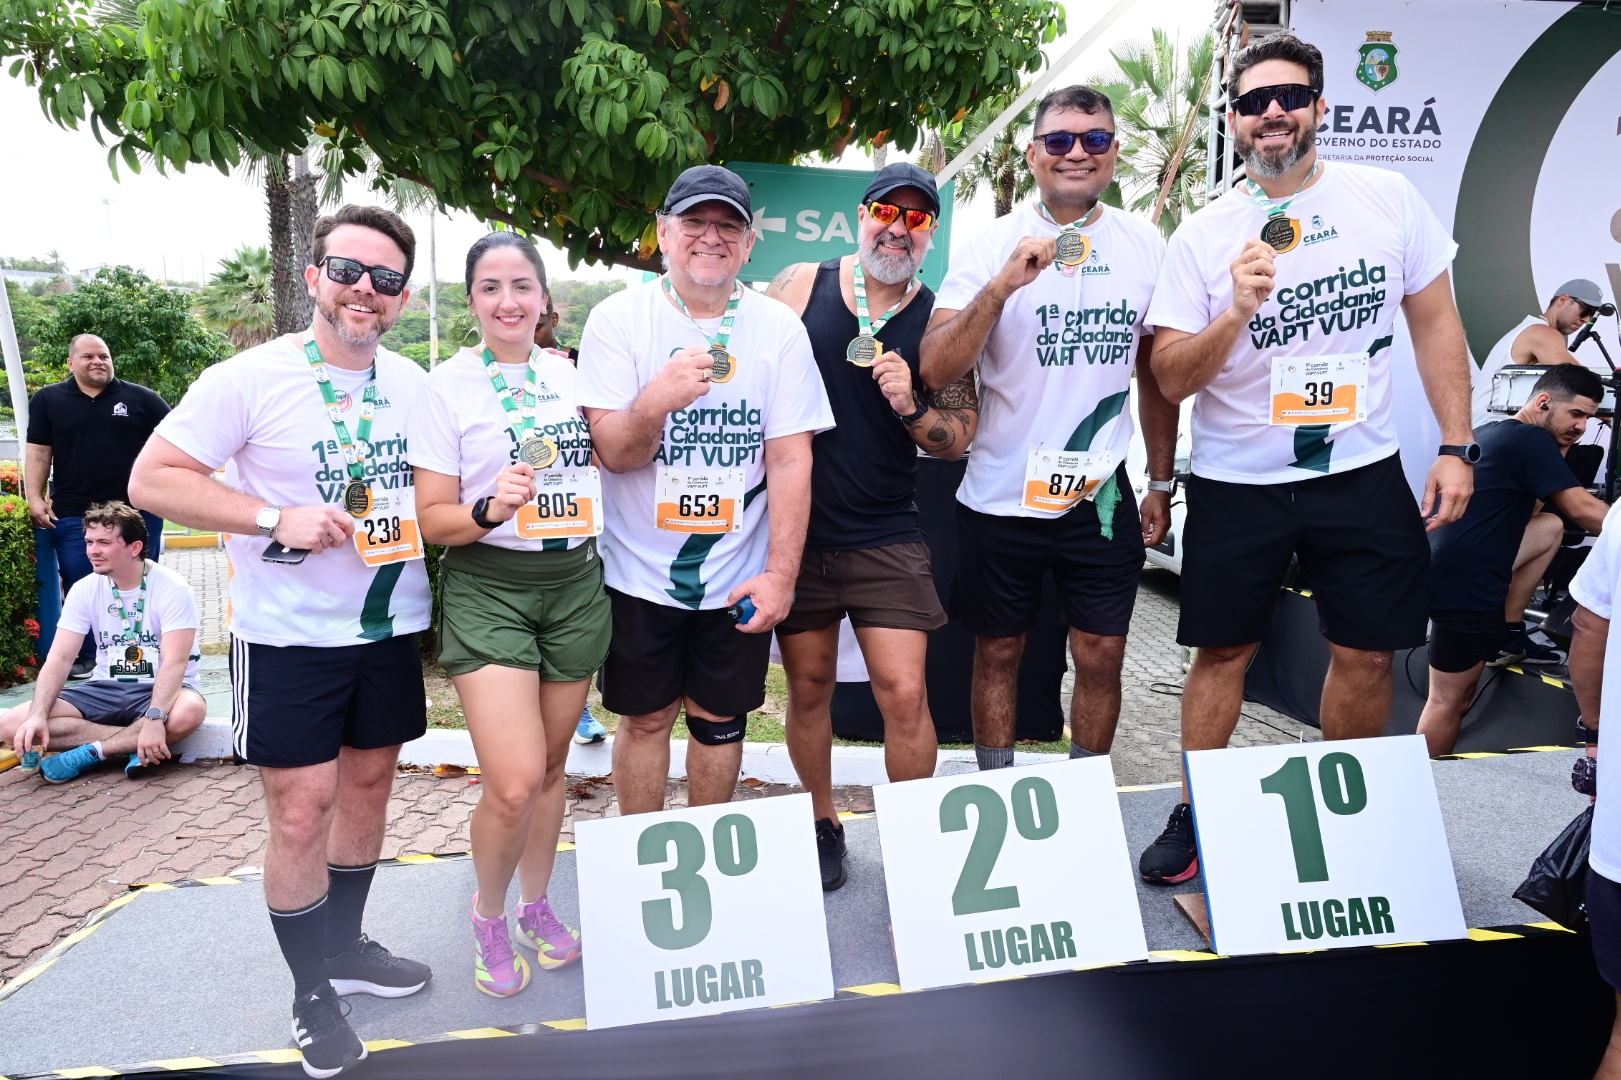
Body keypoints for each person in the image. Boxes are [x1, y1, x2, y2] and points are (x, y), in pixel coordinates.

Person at [1138, 32, 1476, 885]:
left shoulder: (1387, 197)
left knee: (1365, 653)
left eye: (1288, 97)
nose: (1272, 114)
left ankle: (1342, 807)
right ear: (1236, 121)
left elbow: (1435, 324)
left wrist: (1454, 444)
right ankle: (1198, 808)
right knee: (1223, 654)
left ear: (1320, 107)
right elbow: (1169, 377)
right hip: (1237, 479)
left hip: (1357, 469)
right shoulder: (1204, 234)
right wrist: (1236, 311)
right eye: (1253, 103)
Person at [128, 205, 432, 1077]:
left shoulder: (414, 383)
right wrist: (271, 515)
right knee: (303, 812)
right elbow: (153, 477)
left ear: (403, 297)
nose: (363, 291)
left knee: (370, 788)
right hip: (288, 638)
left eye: (383, 279)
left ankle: (345, 949)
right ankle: (309, 992)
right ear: (312, 276)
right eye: (347, 270)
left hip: (388, 625)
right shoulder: (248, 378)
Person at [918, 85, 1178, 774]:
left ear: (1114, 153)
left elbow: (1155, 375)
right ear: (1032, 154)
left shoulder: (1144, 244)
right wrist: (1001, 288)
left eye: (1094, 139)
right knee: (999, 651)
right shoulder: (988, 246)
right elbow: (935, 364)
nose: (1076, 153)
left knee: (1102, 652)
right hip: (1000, 494)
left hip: (1099, 496)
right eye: (1058, 140)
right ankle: (998, 790)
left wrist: (1159, 479)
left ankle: (1086, 785)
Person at [578, 164, 834, 815]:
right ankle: (644, 853)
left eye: (729, 226)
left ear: (750, 245)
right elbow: (614, 452)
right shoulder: (617, 320)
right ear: (663, 233)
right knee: (644, 720)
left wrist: (780, 576)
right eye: (695, 221)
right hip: (638, 573)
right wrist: (654, 402)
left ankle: (708, 857)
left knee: (720, 723)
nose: (711, 237)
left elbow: (789, 460)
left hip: (737, 574)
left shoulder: (777, 328)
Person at [765, 162, 978, 890]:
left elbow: (959, 433)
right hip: (797, 532)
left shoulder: (939, 319)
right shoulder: (799, 282)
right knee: (810, 688)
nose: (897, 229)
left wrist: (911, 407)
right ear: (862, 214)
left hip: (886, 530)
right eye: (888, 212)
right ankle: (821, 822)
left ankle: (915, 840)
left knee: (905, 694)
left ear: (930, 233)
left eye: (916, 219)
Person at [410, 232, 603, 996]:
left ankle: (534, 905)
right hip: (489, 584)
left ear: (545, 299)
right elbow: (432, 519)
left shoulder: (572, 377)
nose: (508, 301)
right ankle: (487, 913)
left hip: (575, 582)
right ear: (472, 301)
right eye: (490, 287)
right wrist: (489, 507)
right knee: (515, 778)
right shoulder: (447, 386)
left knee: (554, 769)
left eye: (521, 285)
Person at [1419, 364, 1609, 756]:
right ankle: (1421, 786)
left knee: (1550, 527)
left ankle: (1508, 628)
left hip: (1447, 567)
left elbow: (1539, 511)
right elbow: (1585, 511)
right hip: (1465, 582)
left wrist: (1563, 444)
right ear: (1542, 401)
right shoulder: (1528, 441)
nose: (1582, 427)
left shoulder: (1493, 432)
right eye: (1576, 414)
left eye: (1588, 419)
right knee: (1448, 700)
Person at [0, 502, 205, 781]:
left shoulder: (173, 588)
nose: (92, 551)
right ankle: (134, 742)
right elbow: (60, 659)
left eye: (104, 542)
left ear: (134, 547)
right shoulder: (85, 589)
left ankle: (92, 752)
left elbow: (175, 662)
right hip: (104, 688)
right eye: (89, 541)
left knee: (188, 712)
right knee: (13, 724)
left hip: (159, 688)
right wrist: (37, 714)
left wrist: (155, 716)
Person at [27, 333, 170, 677]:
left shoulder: (142, 398)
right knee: (81, 578)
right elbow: (39, 452)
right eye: (88, 356)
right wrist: (33, 496)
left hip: (138, 510)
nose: (98, 362)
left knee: (138, 581)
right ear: (71, 362)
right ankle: (88, 654)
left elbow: (177, 440)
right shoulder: (48, 399)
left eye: (104, 356)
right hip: (74, 510)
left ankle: (142, 651)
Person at [531, 284, 605, 745]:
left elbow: (603, 442)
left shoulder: (579, 369)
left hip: (578, 523)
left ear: (554, 322)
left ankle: (576, 715)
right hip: (521, 522)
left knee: (573, 636)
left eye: (540, 324)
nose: (532, 332)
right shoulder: (485, 373)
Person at [1472, 279, 1606, 427]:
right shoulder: (1542, 332)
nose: (1586, 320)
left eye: (1592, 315)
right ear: (1563, 300)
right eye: (1585, 310)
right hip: (1492, 425)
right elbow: (1581, 381)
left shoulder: (1531, 328)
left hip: (1486, 427)